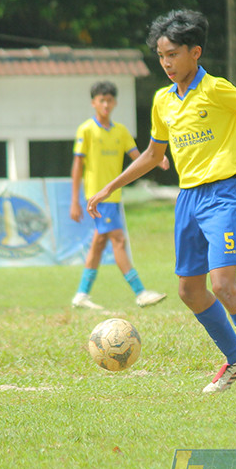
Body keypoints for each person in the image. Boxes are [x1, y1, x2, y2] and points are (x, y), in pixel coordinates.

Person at [87, 9, 236, 393]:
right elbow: (153, 156)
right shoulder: (163, 100)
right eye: (161, 56)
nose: (166, 63)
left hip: (223, 195)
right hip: (187, 199)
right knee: (189, 291)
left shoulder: (216, 89)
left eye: (173, 54)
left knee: (223, 285)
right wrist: (110, 187)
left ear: (195, 52)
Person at [69, 80, 169, 310]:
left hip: (113, 198)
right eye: (101, 100)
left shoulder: (121, 131)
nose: (106, 104)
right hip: (98, 198)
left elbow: (139, 157)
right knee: (118, 240)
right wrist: (75, 200)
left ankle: (81, 294)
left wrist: (157, 159)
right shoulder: (86, 130)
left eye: (109, 100)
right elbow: (77, 166)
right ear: (94, 103)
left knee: (98, 244)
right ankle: (140, 292)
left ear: (115, 103)